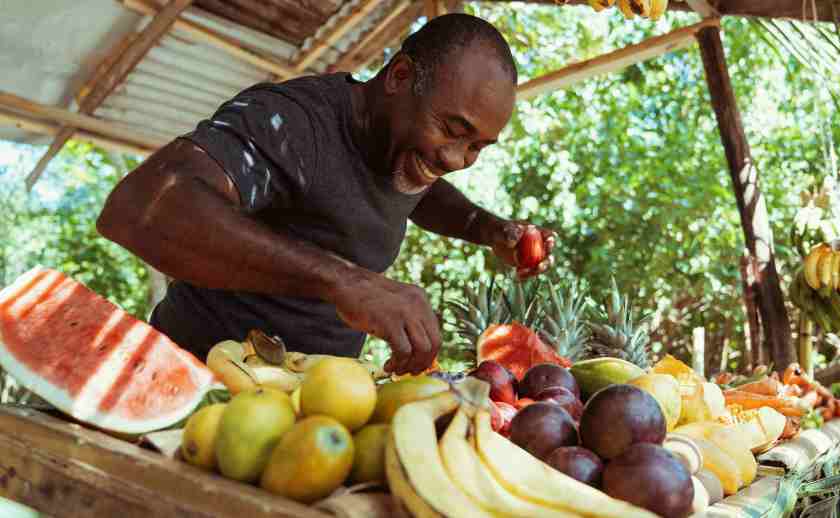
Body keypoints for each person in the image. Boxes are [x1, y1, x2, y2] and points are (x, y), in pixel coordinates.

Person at [96, 13, 555, 376]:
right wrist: (344, 280)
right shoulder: (292, 124)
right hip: (195, 378)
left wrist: (486, 228)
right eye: (453, 131)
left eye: (477, 146)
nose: (458, 159)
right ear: (398, 76)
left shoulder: (401, 150)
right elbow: (142, 208)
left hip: (304, 402)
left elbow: (420, 192)